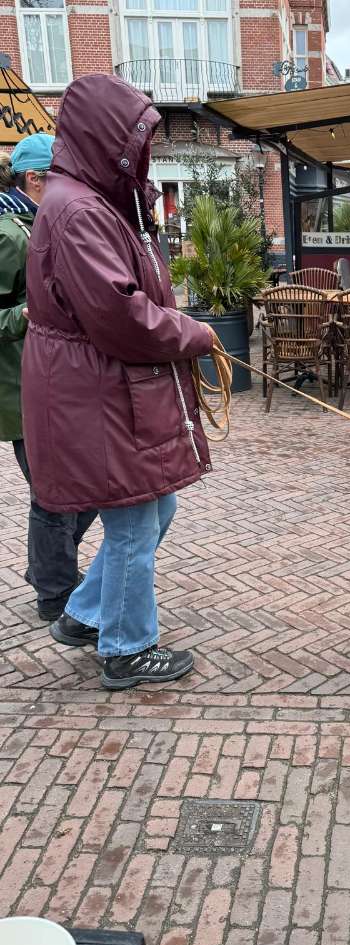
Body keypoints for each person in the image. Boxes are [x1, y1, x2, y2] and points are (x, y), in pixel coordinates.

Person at [22, 74, 217, 689]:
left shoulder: (87, 202)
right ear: (107, 139)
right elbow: (119, 313)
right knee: (135, 520)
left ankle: (84, 613)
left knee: (157, 508)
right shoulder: (79, 210)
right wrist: (192, 334)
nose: (142, 152)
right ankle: (127, 648)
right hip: (98, 391)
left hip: (99, 387)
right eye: (135, 139)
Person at [0, 134, 97, 621]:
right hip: (23, 391)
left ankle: (49, 570)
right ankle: (54, 591)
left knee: (79, 487)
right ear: (35, 179)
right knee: (57, 493)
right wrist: (33, 309)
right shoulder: (9, 234)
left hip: (49, 384)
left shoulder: (36, 223)